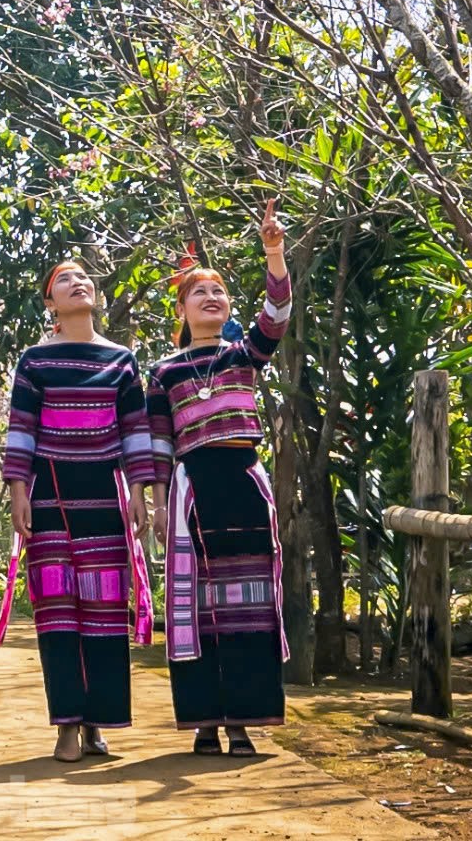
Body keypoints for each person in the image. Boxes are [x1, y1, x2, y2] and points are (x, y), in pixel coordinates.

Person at [145, 200, 293, 757]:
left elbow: (276, 316)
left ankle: (243, 722)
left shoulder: (245, 355)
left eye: (220, 292)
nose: (212, 298)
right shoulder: (165, 371)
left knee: (250, 603)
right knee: (197, 606)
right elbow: (159, 443)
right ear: (182, 307)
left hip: (244, 483)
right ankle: (206, 723)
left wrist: (273, 252)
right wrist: (157, 503)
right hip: (193, 491)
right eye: (199, 292)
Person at [1, 260, 155, 761]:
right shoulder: (34, 361)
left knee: (106, 612)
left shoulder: (121, 360)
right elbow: (21, 428)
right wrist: (19, 490)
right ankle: (66, 724)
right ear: (51, 304)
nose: (79, 282)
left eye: (83, 276)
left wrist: (139, 490)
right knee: (58, 614)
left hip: (105, 497)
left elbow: (135, 430)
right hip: (50, 497)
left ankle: (97, 725)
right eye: (65, 280)